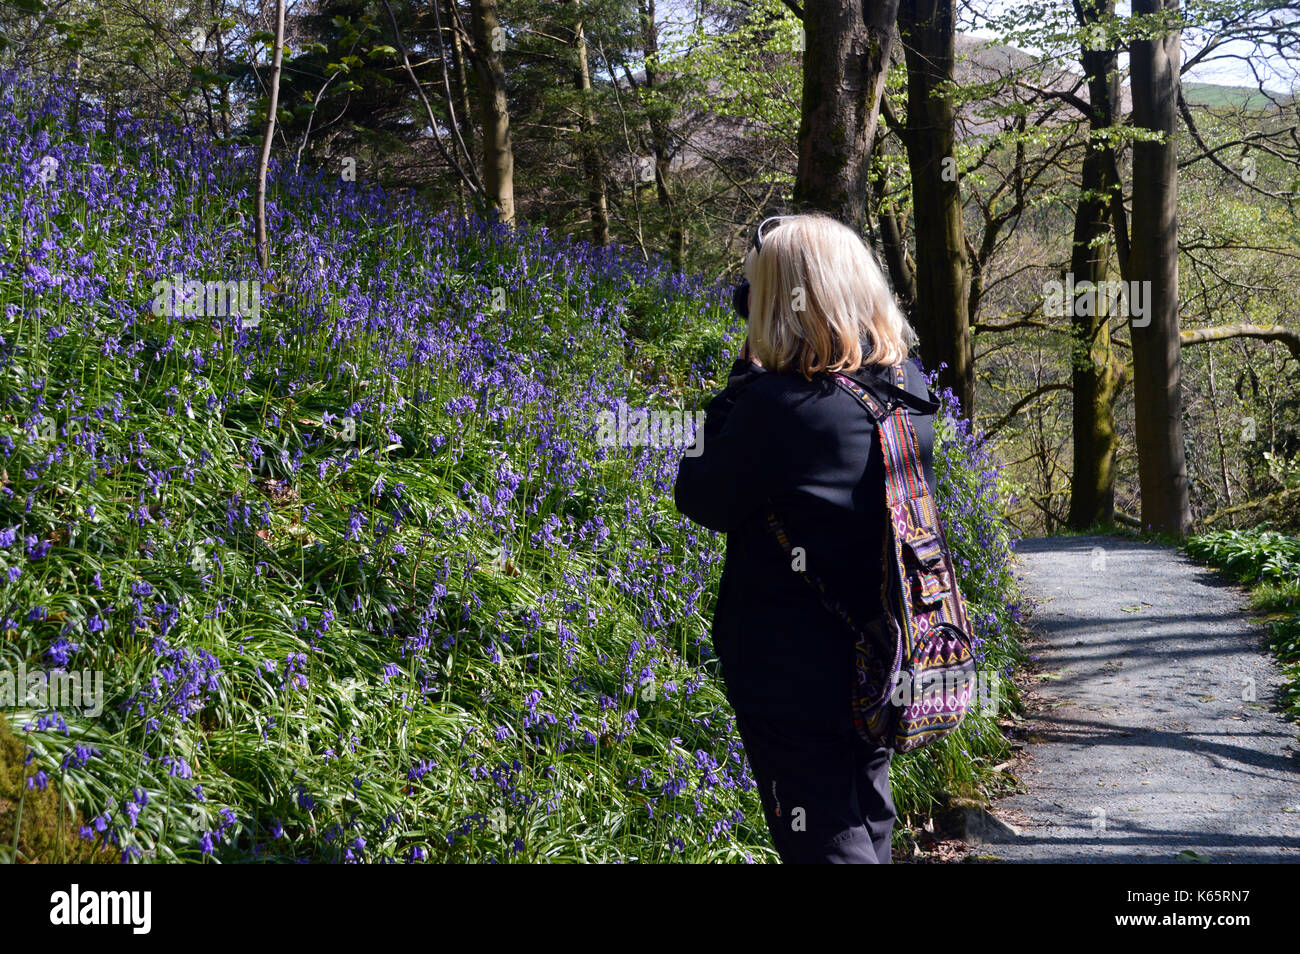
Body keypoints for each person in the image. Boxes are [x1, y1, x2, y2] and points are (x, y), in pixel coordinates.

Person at [673, 212, 939, 864]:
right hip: (881, 645)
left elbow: (699, 492)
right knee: (866, 806)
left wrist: (743, 379)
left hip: (791, 668)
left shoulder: (778, 408)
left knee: (822, 834)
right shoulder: (906, 391)